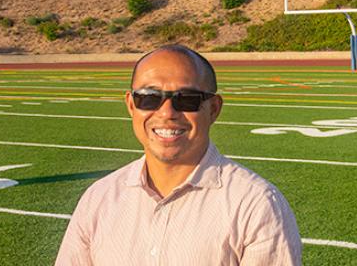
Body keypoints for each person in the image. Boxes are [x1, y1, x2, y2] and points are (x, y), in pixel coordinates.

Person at [55, 45, 302, 265]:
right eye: (149, 98)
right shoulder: (100, 199)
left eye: (187, 99)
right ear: (131, 105)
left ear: (214, 109)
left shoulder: (255, 204)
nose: (167, 112)